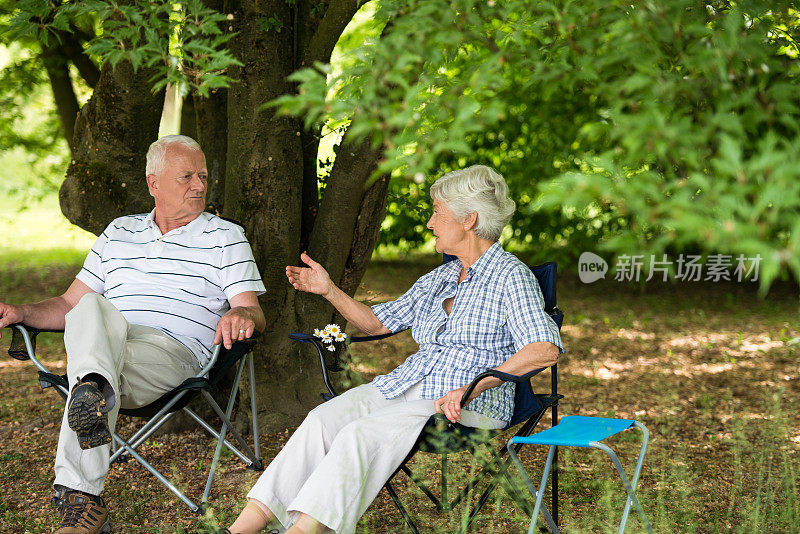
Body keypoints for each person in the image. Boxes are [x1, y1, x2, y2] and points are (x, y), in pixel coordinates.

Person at [224, 165, 563, 534]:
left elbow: (545, 348)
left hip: (465, 404)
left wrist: (472, 388)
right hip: (404, 387)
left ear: (469, 219)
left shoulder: (511, 276)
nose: (431, 223)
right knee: (322, 420)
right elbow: (376, 323)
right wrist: (328, 289)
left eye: (437, 212)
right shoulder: (442, 277)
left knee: (359, 434)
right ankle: (238, 531)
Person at [0, 135, 266, 534]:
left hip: (170, 357)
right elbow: (70, 305)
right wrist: (22, 312)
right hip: (109, 352)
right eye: (187, 177)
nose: (199, 186)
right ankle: (91, 391)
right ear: (153, 183)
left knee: (87, 376)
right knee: (89, 307)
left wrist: (241, 313)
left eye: (204, 176)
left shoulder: (225, 237)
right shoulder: (118, 232)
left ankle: (81, 496)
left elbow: (254, 312)